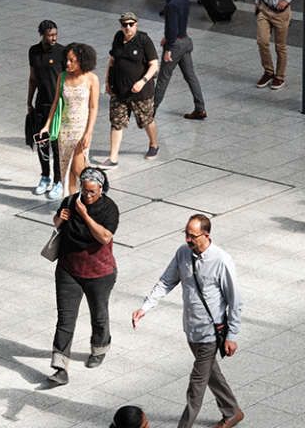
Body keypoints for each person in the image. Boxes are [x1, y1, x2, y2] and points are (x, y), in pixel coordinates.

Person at [132, 214, 244, 428]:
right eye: (186, 234)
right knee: (211, 373)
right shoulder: (183, 253)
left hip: (211, 333)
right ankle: (232, 411)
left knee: (196, 386)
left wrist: (231, 335)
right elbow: (166, 281)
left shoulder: (221, 260)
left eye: (192, 236)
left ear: (206, 235)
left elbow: (235, 301)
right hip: (191, 329)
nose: (188, 240)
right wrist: (145, 307)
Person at [47, 166, 119, 386]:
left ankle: (99, 348)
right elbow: (57, 224)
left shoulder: (109, 209)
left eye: (92, 192)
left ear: (101, 189)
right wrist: (60, 218)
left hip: (99, 272)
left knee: (98, 314)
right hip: (68, 269)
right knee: (65, 319)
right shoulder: (70, 202)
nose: (87, 195)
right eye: (85, 190)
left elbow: (105, 237)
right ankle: (60, 366)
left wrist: (85, 215)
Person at [101, 12, 160, 166]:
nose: (127, 27)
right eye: (124, 24)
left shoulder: (144, 40)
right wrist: (107, 81)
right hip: (119, 91)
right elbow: (112, 60)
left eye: (130, 24)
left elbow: (154, 64)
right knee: (116, 122)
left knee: (146, 119)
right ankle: (113, 157)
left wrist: (143, 81)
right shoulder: (118, 38)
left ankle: (154, 144)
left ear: (136, 24)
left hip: (141, 92)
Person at [47, 42, 101, 194]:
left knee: (78, 168)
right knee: (68, 170)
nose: (68, 63)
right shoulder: (62, 77)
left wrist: (89, 132)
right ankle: (72, 202)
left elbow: (93, 107)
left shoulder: (92, 79)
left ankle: (95, 193)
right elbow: (56, 102)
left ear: (82, 60)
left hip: (81, 129)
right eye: (67, 60)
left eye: (72, 60)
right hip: (64, 130)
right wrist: (47, 125)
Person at [156, 0, 206, 120]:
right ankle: (200, 108)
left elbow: (171, 28)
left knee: (163, 77)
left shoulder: (171, 5)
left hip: (175, 44)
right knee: (191, 76)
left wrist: (168, 48)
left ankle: (150, 109)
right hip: (185, 40)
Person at [254, 0, 302, 91]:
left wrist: (286, 0)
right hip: (264, 9)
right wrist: (257, 0)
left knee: (280, 46)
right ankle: (268, 71)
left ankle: (279, 76)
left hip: (280, 13)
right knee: (262, 41)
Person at [26, 21, 66, 199]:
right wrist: (29, 101)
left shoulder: (62, 52)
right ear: (42, 35)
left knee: (57, 146)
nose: (54, 38)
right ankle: (45, 176)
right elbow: (33, 78)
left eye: (55, 34)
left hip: (58, 105)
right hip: (41, 103)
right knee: (42, 143)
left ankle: (58, 181)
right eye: (50, 35)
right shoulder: (33, 51)